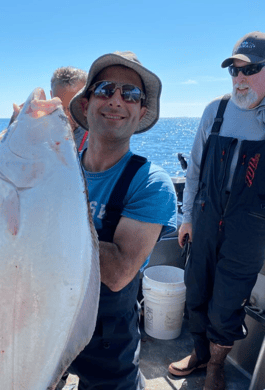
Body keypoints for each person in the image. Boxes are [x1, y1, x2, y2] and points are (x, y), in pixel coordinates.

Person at [57, 51, 177, 390]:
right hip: (47, 318)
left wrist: (48, 216)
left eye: (131, 94)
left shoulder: (151, 182)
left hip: (108, 339)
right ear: (85, 104)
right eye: (106, 89)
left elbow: (118, 272)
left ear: (141, 112)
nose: (117, 100)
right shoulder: (56, 168)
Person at [168, 31, 265, 390]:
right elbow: (193, 169)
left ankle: (216, 367)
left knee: (227, 302)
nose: (240, 79)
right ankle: (200, 355)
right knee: (196, 290)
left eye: (250, 69)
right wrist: (186, 217)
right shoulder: (217, 110)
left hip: (250, 227)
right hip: (207, 217)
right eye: (234, 71)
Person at [50, 66, 89, 152]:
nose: (66, 117)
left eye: (72, 109)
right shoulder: (40, 130)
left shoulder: (98, 140)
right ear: (51, 95)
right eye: (60, 108)